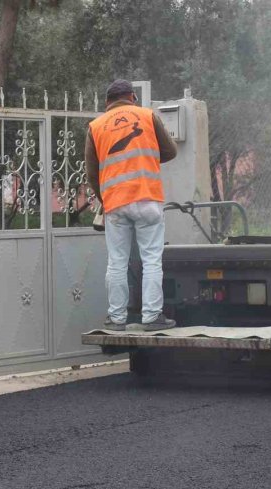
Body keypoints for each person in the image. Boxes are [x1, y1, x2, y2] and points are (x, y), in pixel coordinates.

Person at [85, 79, 179, 331]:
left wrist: (103, 200)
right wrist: (147, 156)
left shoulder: (96, 126)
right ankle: (152, 317)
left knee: (117, 261)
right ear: (132, 98)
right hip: (147, 197)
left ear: (108, 102)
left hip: (115, 202)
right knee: (151, 260)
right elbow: (170, 152)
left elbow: (91, 174)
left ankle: (116, 319)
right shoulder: (147, 116)